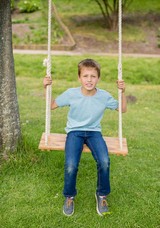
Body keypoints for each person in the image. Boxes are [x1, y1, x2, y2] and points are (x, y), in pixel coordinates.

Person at [43, 58, 127, 217]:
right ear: (79, 78)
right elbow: (50, 105)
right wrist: (45, 87)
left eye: (93, 76)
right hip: (75, 132)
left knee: (104, 161)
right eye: (86, 76)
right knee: (71, 164)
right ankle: (69, 196)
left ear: (98, 78)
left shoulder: (104, 96)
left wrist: (122, 92)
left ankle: (102, 195)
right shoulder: (71, 93)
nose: (89, 80)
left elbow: (122, 109)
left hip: (94, 132)